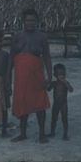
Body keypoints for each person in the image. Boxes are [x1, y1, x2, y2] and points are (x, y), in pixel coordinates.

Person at [7, 8, 52, 143]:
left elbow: (47, 57)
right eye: (27, 20)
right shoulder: (17, 36)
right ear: (23, 21)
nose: (30, 23)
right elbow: (11, 57)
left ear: (36, 21)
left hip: (36, 73)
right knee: (22, 101)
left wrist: (49, 77)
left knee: (40, 101)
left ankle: (42, 134)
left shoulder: (42, 37)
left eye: (32, 20)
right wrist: (8, 79)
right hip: (21, 75)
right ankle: (22, 133)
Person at [47, 64, 73, 141]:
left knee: (64, 119)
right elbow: (48, 89)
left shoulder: (65, 83)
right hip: (56, 104)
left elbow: (71, 90)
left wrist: (66, 82)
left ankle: (65, 134)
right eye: (59, 74)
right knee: (54, 118)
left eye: (63, 74)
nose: (61, 76)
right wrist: (47, 84)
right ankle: (52, 132)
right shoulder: (54, 83)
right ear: (55, 75)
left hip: (64, 104)